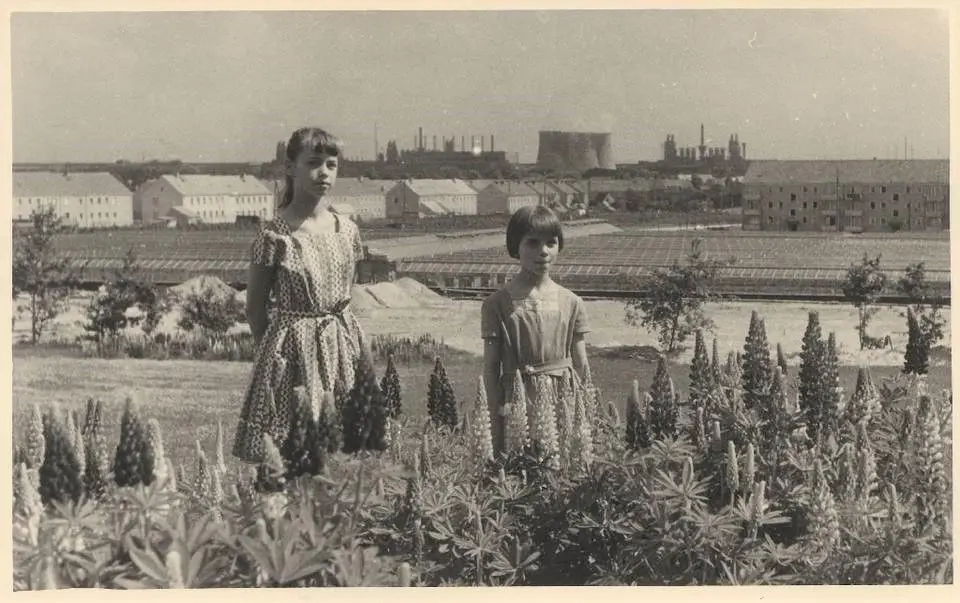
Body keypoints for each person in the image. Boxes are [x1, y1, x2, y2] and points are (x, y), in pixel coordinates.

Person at [232, 127, 368, 463]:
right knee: (295, 450)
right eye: (313, 163)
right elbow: (254, 309)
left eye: (331, 164)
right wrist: (276, 358)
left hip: (340, 347)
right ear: (291, 168)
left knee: (343, 447)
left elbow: (350, 293)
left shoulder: (347, 229)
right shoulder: (274, 235)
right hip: (294, 353)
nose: (324, 172)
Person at [481, 205, 592, 456]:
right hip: (517, 401)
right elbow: (490, 369)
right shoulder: (496, 305)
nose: (543, 251)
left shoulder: (572, 301)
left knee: (563, 470)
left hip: (563, 397)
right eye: (532, 243)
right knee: (522, 469)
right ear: (515, 247)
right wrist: (494, 424)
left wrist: (586, 412)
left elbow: (581, 364)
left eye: (551, 243)